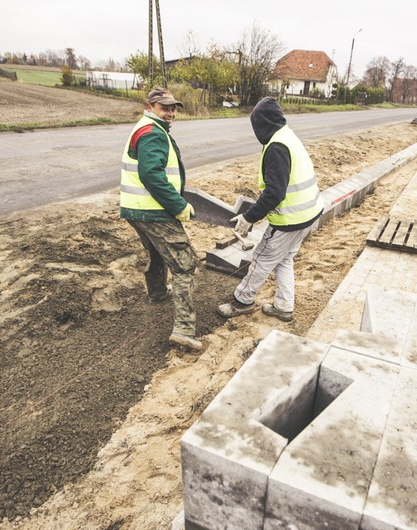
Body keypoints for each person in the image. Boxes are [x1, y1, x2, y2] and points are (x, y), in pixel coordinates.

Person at [217, 97, 324, 323]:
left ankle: (242, 301)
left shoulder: (277, 146)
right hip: (309, 213)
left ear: (262, 123)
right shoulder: (287, 135)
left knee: (261, 259)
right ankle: (284, 306)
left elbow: (275, 193)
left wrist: (249, 217)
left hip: (290, 219)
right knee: (284, 260)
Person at [119, 87, 202, 352]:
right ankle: (184, 330)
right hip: (153, 210)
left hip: (136, 209)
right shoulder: (152, 133)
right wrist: (178, 205)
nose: (170, 112)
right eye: (164, 107)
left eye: (173, 108)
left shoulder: (145, 127)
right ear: (150, 106)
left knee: (157, 252)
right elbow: (151, 175)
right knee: (185, 264)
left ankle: (157, 293)